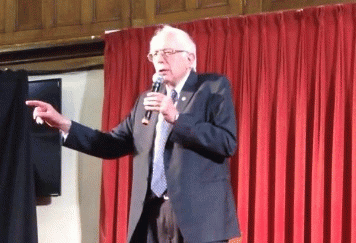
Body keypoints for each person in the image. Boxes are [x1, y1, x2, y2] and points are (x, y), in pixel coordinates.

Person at [26, 25, 241, 243]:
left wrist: (176, 117)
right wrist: (64, 124)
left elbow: (226, 142)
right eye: (154, 54)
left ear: (190, 58)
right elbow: (111, 144)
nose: (159, 59)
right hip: (151, 216)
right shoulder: (146, 100)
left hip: (199, 220)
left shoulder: (212, 88)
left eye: (167, 52)